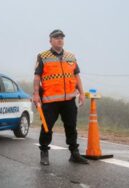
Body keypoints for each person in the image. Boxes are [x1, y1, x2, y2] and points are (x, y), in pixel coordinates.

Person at [33, 29, 88, 165]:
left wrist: (81, 93)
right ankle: (44, 152)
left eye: (61, 37)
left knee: (71, 127)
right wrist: (35, 94)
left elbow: (76, 76)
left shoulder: (71, 56)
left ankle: (74, 153)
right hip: (50, 101)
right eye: (56, 37)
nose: (59, 40)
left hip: (69, 100)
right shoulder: (43, 56)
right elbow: (37, 77)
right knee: (47, 127)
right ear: (50, 40)